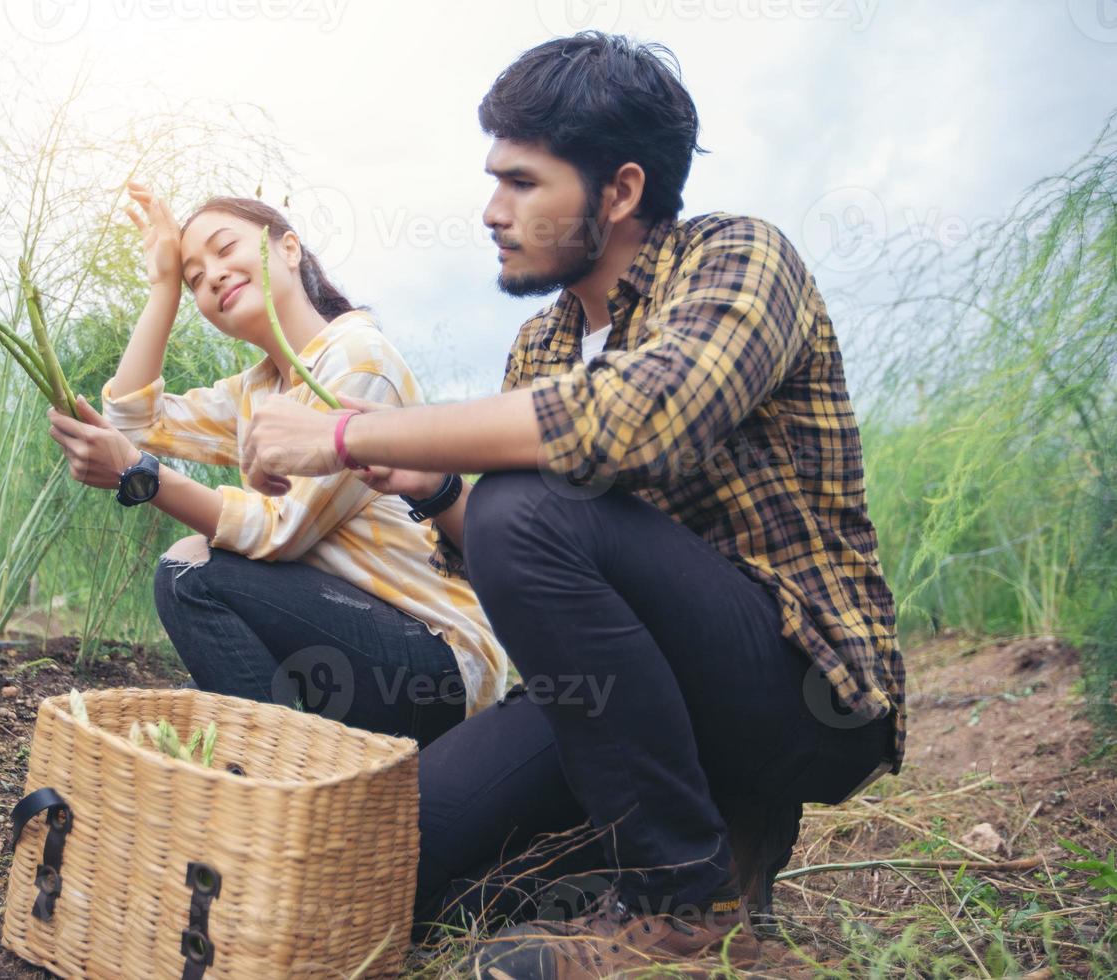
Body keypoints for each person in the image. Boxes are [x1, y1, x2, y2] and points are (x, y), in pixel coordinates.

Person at [240, 32, 905, 976]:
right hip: (621, 698)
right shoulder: (542, 342)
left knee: (524, 501)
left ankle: (685, 900)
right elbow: (517, 554)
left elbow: (636, 420)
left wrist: (351, 436)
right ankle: (691, 851)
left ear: (620, 191)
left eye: (521, 183)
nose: (491, 211)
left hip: (799, 690)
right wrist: (435, 488)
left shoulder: (741, 260)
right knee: (402, 860)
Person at [45, 187, 508, 747]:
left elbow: (282, 531)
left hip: (435, 661)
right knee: (193, 569)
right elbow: (133, 419)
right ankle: (287, 774)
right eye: (195, 278)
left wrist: (141, 477)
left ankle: (270, 781)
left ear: (288, 249)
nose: (212, 276)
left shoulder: (359, 359)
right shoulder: (260, 389)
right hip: (359, 638)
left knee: (192, 574)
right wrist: (163, 287)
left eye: (224, 249)